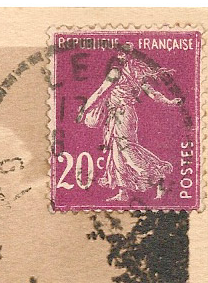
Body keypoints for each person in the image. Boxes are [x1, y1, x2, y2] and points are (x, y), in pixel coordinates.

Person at [76, 48, 184, 202]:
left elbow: (100, 92)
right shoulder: (137, 75)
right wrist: (170, 102)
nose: (119, 56)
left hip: (121, 115)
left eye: (121, 54)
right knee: (116, 153)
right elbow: (153, 94)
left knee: (127, 151)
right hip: (122, 115)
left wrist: (84, 110)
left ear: (124, 56)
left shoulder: (116, 72)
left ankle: (158, 177)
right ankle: (123, 192)